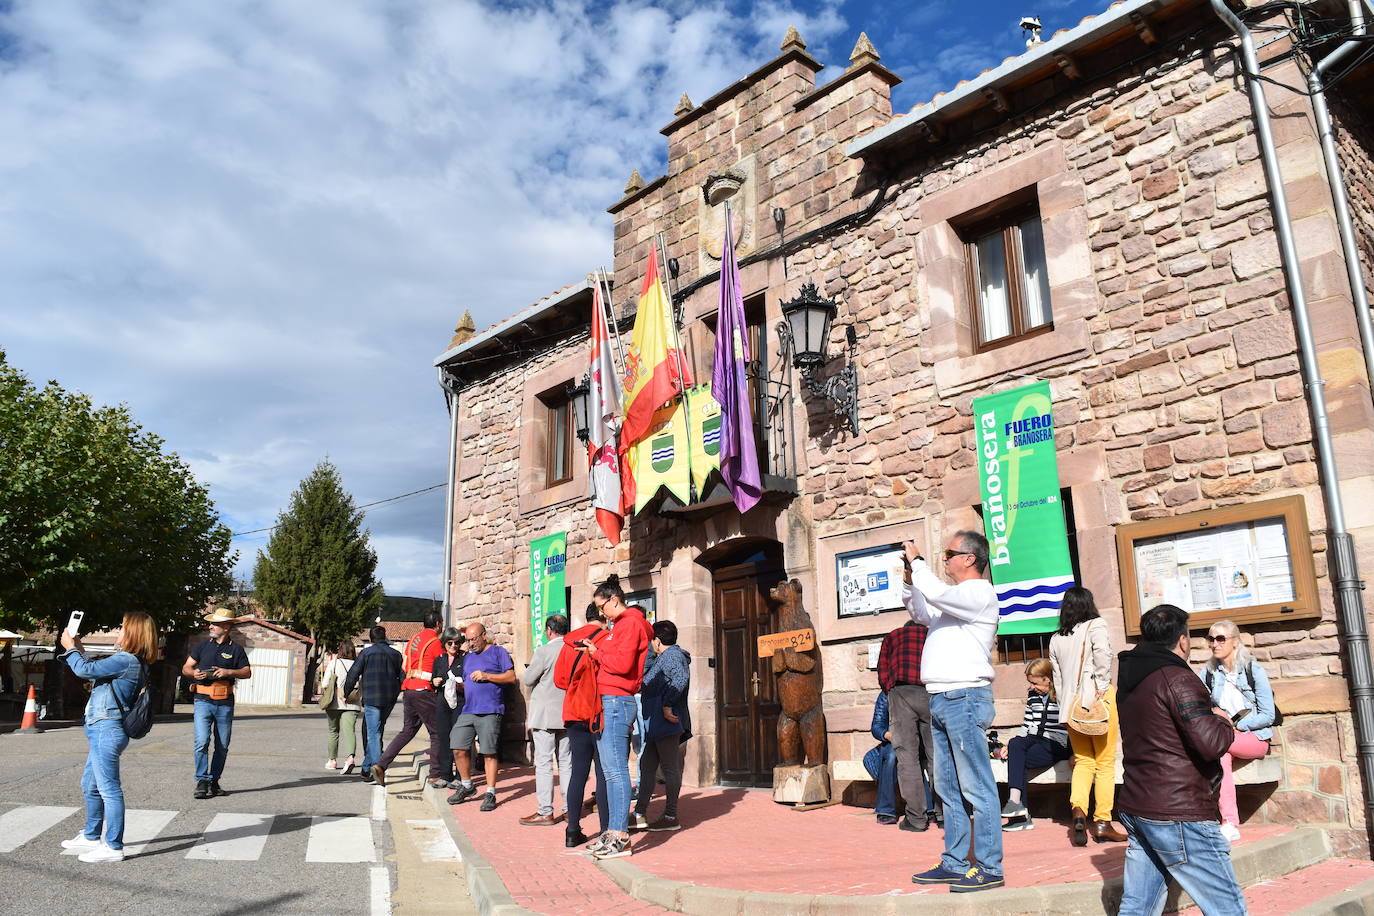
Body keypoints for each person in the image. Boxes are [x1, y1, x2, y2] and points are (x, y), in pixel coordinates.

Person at [1117, 604, 1244, 916]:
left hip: (1139, 804)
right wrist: (1224, 721)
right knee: (1227, 907)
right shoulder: (1177, 678)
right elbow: (1212, 743)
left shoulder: (1130, 677)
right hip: (1178, 809)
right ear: (1183, 640)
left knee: (1138, 908)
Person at [904, 531, 1004, 894]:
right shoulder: (953, 602)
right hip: (942, 698)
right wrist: (909, 579)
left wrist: (917, 563)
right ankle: (955, 861)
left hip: (965, 697)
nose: (944, 559)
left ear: (969, 559)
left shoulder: (977, 592)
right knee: (947, 785)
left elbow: (939, 594)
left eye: (949, 553)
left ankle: (990, 867)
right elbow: (921, 610)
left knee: (976, 785)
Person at [58, 611, 159, 864]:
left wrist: (70, 648)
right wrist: (78, 646)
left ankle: (113, 846)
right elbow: (93, 669)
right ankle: (92, 835)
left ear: (133, 633)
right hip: (102, 729)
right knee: (89, 785)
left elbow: (84, 671)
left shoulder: (126, 660)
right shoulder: (126, 661)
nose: (118, 631)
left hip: (107, 730)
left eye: (122, 628)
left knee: (108, 789)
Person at [579, 574, 653, 860]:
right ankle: (612, 832)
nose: (601, 613)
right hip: (610, 701)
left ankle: (620, 836)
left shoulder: (630, 623)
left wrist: (596, 652)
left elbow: (622, 665)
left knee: (616, 772)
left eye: (602, 607)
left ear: (613, 600)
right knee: (610, 773)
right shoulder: (621, 625)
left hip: (616, 701)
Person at [1048, 586, 1128, 845]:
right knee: (1104, 763)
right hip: (1096, 700)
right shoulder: (1096, 625)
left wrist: (1064, 706)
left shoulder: (1056, 637)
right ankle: (1103, 821)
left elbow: (1058, 678)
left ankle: (1078, 810)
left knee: (1083, 760)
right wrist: (1103, 686)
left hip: (1071, 706)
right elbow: (1103, 655)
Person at [1201, 619, 1276, 843]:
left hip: (1255, 738)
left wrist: (1237, 725)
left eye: (1221, 638)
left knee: (1217, 746)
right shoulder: (1209, 673)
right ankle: (1229, 822)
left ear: (1235, 641)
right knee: (1221, 753)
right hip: (1226, 738)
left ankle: (1222, 819)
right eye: (1211, 639)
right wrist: (1214, 712)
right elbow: (1199, 702)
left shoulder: (1254, 670)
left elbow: (1268, 715)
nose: (1215, 644)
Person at [877, 614, 941, 831]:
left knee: (907, 759)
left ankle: (916, 819)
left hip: (902, 691)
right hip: (930, 691)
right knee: (937, 756)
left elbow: (882, 669)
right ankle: (944, 816)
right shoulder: (931, 634)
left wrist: (890, 689)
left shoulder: (893, 636)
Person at [181, 610, 252, 799]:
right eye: (210, 624)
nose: (210, 626)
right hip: (202, 701)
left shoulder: (236, 649)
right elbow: (186, 667)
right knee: (202, 741)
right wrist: (193, 673)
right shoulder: (202, 646)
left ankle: (214, 781)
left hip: (225, 703)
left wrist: (228, 672)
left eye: (214, 624)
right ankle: (202, 780)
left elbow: (246, 672)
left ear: (226, 627)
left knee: (222, 745)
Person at [447, 622, 516, 810]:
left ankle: (490, 793)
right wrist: (458, 687)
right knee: (458, 747)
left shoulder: (498, 652)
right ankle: (467, 785)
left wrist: (487, 676)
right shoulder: (468, 658)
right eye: (467, 640)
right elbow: (469, 681)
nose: (470, 644)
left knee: (489, 752)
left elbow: (511, 677)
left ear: (484, 635)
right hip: (469, 710)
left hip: (490, 710)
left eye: (473, 639)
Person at [630, 619, 691, 833]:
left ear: (656, 641)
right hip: (657, 722)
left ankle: (671, 815)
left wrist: (667, 705)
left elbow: (680, 679)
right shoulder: (666, 656)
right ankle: (639, 813)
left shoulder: (671, 655)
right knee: (647, 766)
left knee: (669, 768)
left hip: (666, 721)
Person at [373, 610, 445, 787]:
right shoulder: (435, 642)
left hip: (409, 689)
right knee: (437, 733)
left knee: (407, 731)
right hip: (424, 690)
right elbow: (443, 664)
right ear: (437, 624)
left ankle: (381, 765)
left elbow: (406, 665)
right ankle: (435, 775)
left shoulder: (413, 639)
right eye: (441, 623)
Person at [560, 602, 610, 848]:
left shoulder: (569, 642)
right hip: (599, 711)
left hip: (574, 710)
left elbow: (560, 680)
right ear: (603, 616)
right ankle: (605, 831)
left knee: (578, 773)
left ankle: (572, 831)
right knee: (603, 774)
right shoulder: (607, 638)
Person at [1000, 659, 1069, 832]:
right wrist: (1012, 746)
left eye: (1035, 683)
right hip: (1034, 738)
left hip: (1056, 742)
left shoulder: (1063, 694)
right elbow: (1027, 724)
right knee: (1015, 744)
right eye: (1030, 683)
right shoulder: (1033, 696)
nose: (1031, 687)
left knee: (1018, 760)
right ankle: (1015, 803)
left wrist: (1076, 752)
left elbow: (1071, 725)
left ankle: (1021, 815)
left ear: (1048, 679)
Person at [520, 614, 572, 826]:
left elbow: (529, 679)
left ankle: (545, 810)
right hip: (567, 712)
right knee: (567, 763)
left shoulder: (543, 651)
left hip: (544, 714)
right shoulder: (573, 650)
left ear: (549, 630)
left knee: (543, 763)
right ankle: (570, 808)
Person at [344, 626, 404, 785]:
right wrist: (397, 693)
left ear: (371, 638)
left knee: (374, 733)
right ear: (385, 637)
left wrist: (346, 693)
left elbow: (353, 674)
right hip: (389, 699)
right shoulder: (396, 655)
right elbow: (401, 677)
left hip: (372, 698)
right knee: (377, 730)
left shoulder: (366, 653)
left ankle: (378, 767)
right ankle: (366, 768)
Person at [319, 639, 362, 773]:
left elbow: (325, 683)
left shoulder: (334, 663)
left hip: (334, 703)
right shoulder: (358, 664)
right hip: (352, 703)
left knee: (333, 731)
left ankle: (332, 761)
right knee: (350, 731)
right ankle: (350, 759)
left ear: (341, 650)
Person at [431, 627, 465, 786]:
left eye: (457, 643)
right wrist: (434, 682)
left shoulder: (465, 659)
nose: (453, 646)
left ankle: (460, 776)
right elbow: (433, 680)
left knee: (459, 739)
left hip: (460, 703)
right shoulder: (439, 660)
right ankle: (445, 775)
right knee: (444, 738)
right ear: (444, 643)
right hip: (442, 704)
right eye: (450, 643)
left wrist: (462, 685)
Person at [862, 691, 902, 825]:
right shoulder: (886, 694)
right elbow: (876, 726)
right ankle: (887, 806)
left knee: (891, 757)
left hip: (914, 740)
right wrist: (888, 735)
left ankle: (886, 809)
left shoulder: (916, 690)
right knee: (878, 757)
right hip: (891, 740)